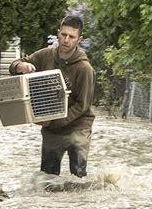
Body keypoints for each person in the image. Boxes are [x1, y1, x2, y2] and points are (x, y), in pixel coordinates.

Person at [9, 15, 95, 178]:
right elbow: (13, 66)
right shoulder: (45, 55)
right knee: (47, 179)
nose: (66, 40)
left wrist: (55, 121)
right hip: (51, 128)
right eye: (63, 35)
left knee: (78, 178)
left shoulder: (84, 68)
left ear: (79, 39)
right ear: (58, 33)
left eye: (71, 37)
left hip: (78, 126)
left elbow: (82, 105)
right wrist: (21, 66)